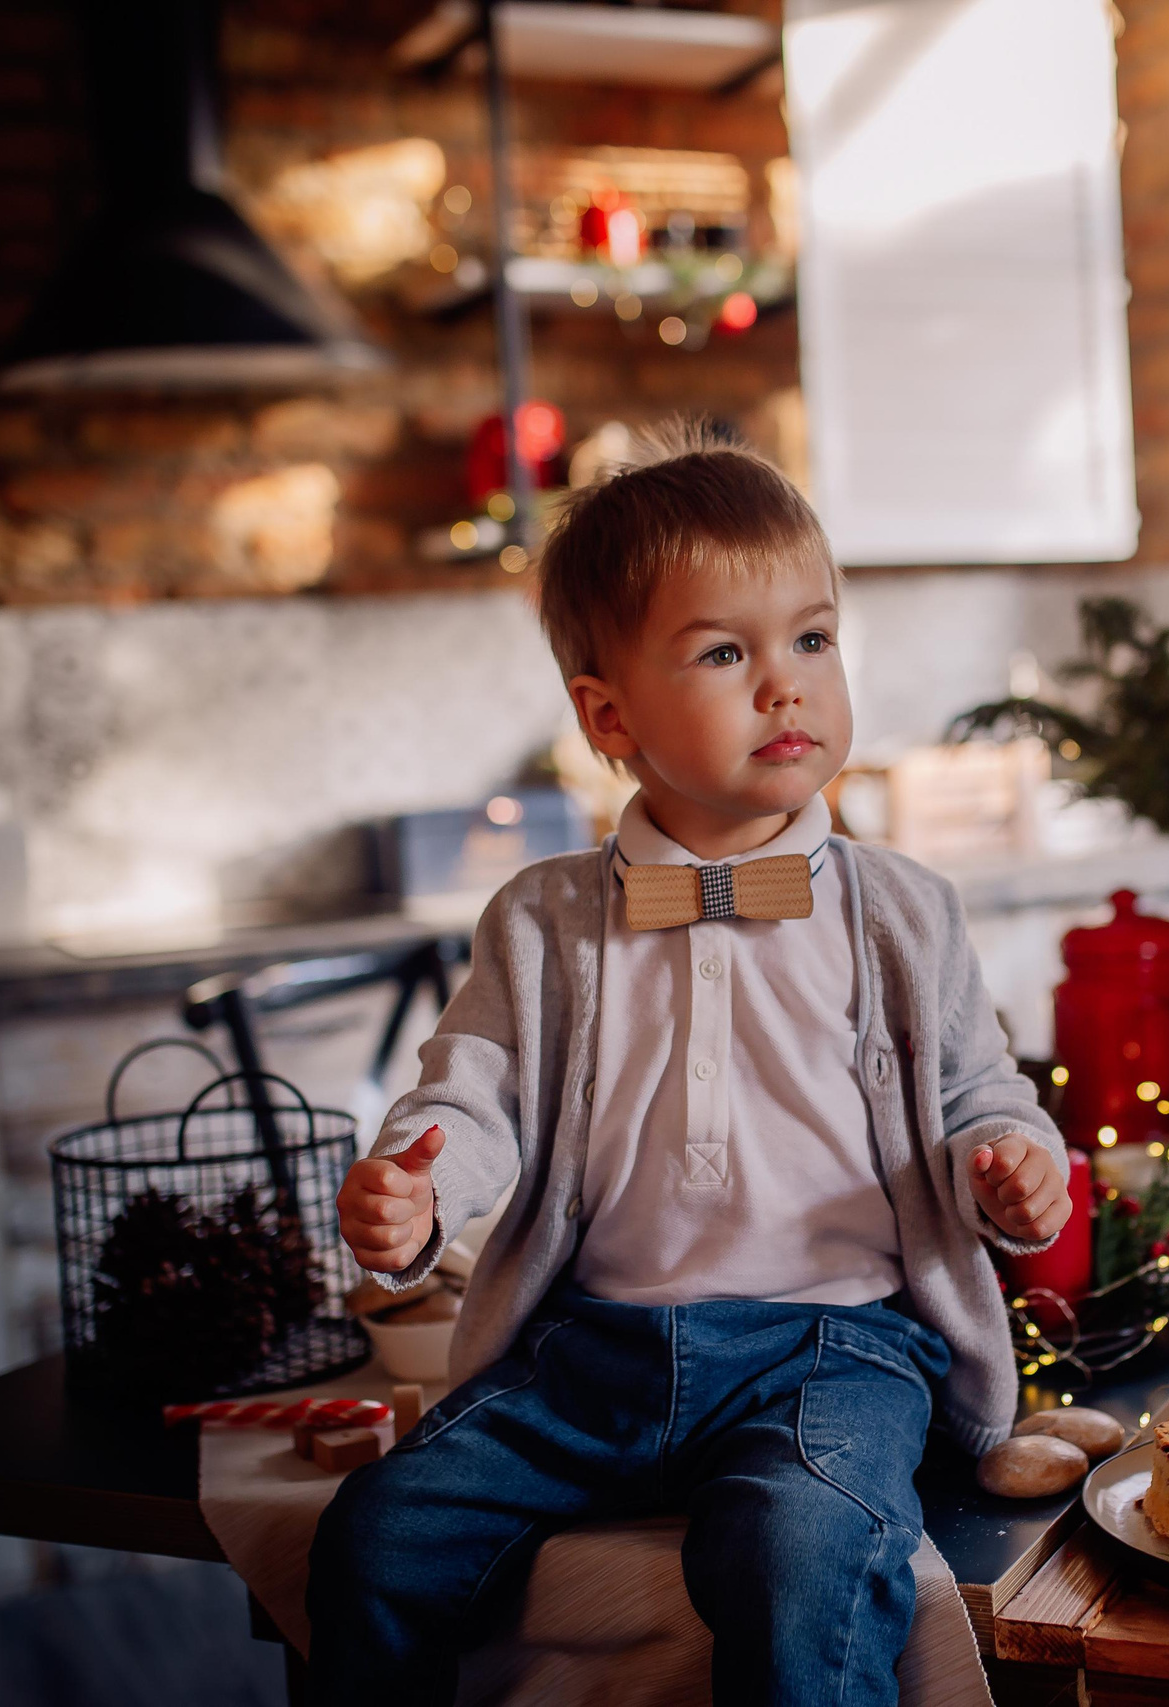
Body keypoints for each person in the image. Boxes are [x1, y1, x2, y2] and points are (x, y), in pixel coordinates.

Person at [307, 429, 1071, 1706]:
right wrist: (419, 1191)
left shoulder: (903, 911)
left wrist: (1012, 1166)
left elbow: (981, 1095)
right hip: (591, 1354)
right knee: (378, 1536)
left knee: (802, 1550)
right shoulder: (543, 919)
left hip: (831, 1348)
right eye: (725, 652)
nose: (786, 686)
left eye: (812, 641)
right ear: (610, 717)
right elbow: (470, 1090)